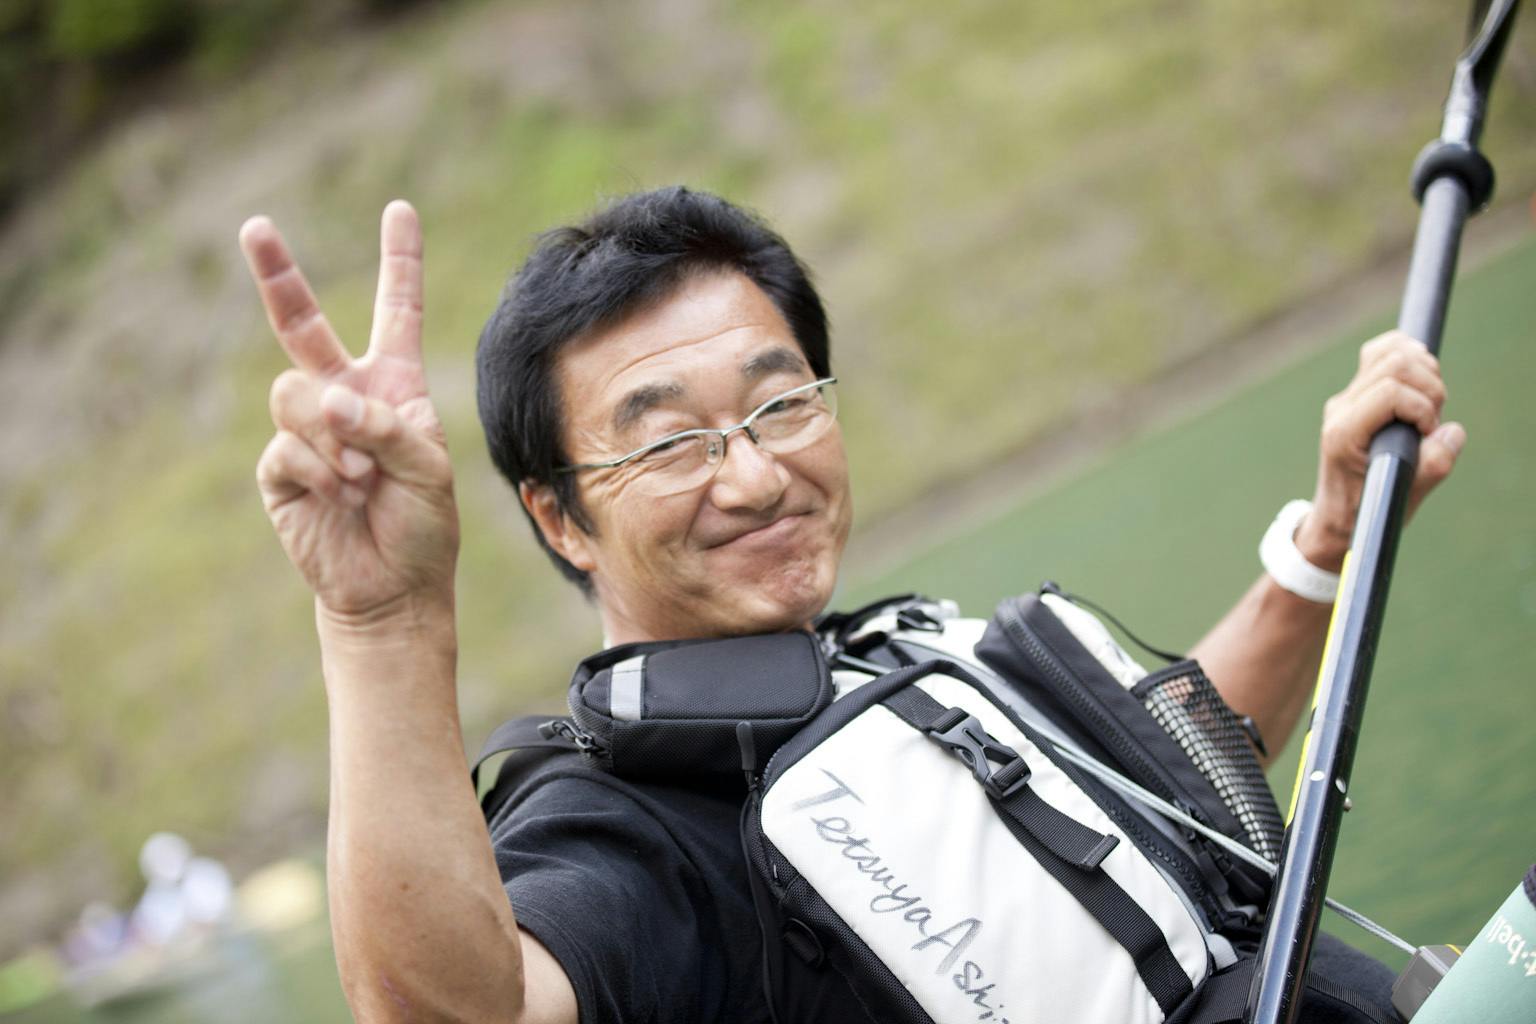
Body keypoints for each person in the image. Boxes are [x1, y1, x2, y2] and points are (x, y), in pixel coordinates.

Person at [239, 187, 1464, 1023]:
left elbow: (1166, 784)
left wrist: (1326, 542)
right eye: (670, 442)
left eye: (781, 404)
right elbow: (474, 1009)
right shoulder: (623, 825)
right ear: (559, 517)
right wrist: (380, 623)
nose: (755, 476)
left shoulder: (897, 658)